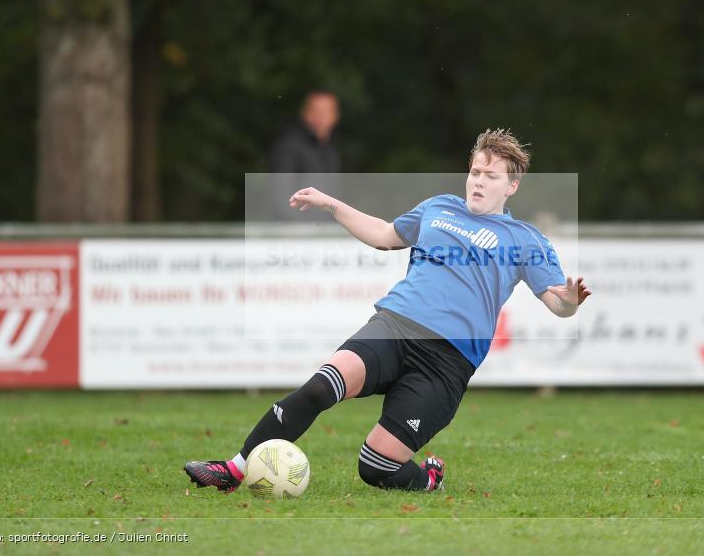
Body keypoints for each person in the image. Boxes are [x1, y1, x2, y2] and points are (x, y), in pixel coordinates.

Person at [186, 129, 591, 492]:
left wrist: (569, 302)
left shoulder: (525, 239)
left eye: (491, 176)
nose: (479, 181)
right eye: (475, 172)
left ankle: (428, 479)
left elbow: (557, 302)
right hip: (394, 327)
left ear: (512, 186)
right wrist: (330, 204)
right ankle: (233, 470)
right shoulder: (439, 208)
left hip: (447, 363)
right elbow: (384, 235)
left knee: (376, 467)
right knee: (319, 387)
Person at [268, 90, 341, 222]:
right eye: (315, 111)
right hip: (298, 230)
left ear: (335, 116)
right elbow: (281, 198)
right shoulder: (288, 148)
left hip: (324, 229)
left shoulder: (330, 151)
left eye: (325, 112)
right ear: (304, 113)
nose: (319, 117)